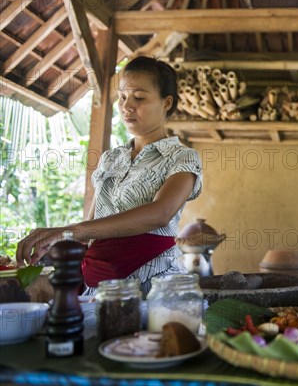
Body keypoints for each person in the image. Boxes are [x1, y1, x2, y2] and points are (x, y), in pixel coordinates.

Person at [16, 56, 202, 295]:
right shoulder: (111, 159)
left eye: (139, 97)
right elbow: (92, 228)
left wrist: (68, 230)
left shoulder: (182, 157)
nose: (127, 106)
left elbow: (161, 213)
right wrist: (50, 242)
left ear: (166, 103)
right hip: (99, 289)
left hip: (155, 284)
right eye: (123, 97)